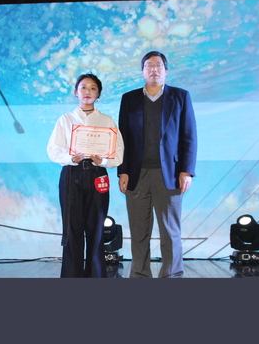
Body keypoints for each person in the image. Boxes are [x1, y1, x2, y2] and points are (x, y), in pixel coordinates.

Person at [117, 51, 197, 278]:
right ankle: (140, 276)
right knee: (138, 232)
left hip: (170, 175)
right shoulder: (129, 99)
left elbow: (189, 136)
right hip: (136, 175)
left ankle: (171, 275)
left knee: (170, 232)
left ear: (166, 70)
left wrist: (186, 171)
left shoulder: (180, 97)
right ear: (142, 71)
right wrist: (122, 171)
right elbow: (123, 138)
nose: (153, 69)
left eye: (158, 65)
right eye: (149, 65)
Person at [47, 73, 124, 278]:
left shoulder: (106, 121)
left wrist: (103, 161)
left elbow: (118, 154)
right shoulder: (65, 120)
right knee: (72, 229)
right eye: (83, 87)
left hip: (98, 175)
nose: (87, 91)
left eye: (92, 88)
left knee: (96, 229)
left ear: (98, 94)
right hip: (71, 174)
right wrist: (71, 157)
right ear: (76, 92)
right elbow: (53, 150)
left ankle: (95, 276)